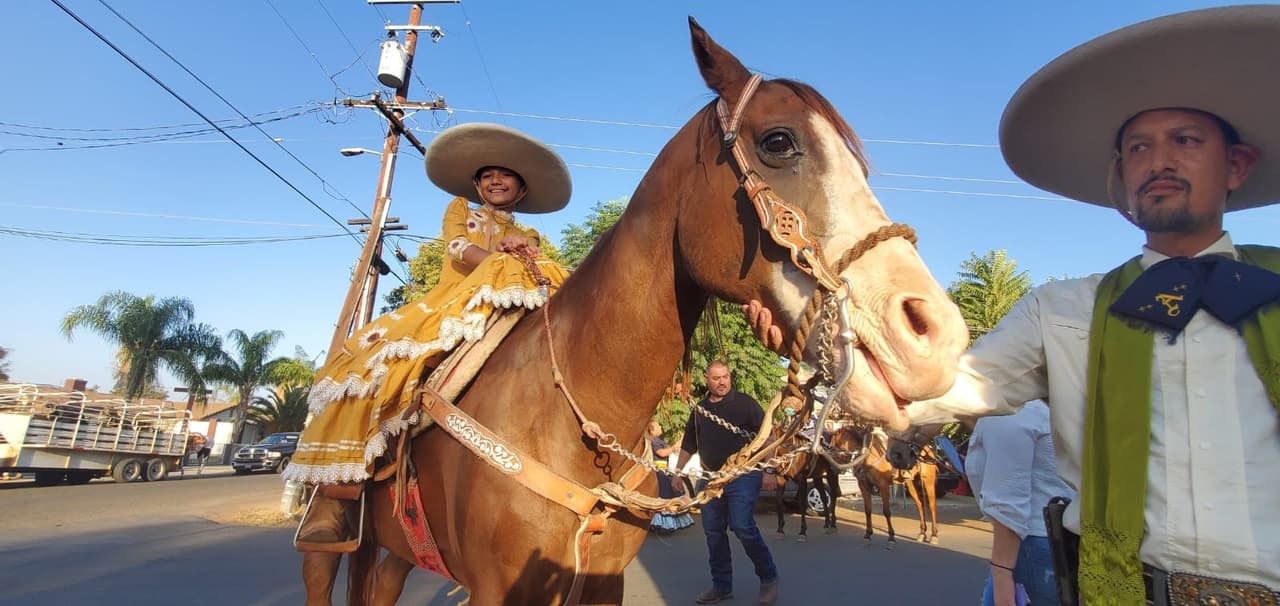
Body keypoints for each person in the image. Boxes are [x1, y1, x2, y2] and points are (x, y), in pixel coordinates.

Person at [744, 7, 1280, 604]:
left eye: (1185, 140)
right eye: (1138, 147)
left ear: (1237, 165)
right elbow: (938, 387)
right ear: (1120, 175)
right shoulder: (1060, 311)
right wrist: (815, 347)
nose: (1159, 160)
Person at [285, 123, 574, 551]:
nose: (496, 180)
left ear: (522, 190)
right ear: (476, 184)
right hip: (453, 303)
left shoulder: (529, 237)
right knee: (374, 364)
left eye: (506, 175)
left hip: (507, 309)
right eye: (487, 174)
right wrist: (499, 261)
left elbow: (535, 276)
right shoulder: (460, 210)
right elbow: (457, 248)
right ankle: (336, 496)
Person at [671, 361, 780, 605]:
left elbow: (769, 437)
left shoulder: (745, 403)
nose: (722, 382)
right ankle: (721, 586)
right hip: (711, 478)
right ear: (706, 379)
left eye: (726, 377)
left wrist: (770, 470)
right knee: (713, 533)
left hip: (743, 475)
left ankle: (769, 577)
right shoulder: (699, 410)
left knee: (742, 525)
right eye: (716, 378)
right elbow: (689, 444)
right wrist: (677, 472)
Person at [967, 401, 1074, 606]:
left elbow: (1007, 504)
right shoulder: (1054, 405)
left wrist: (1001, 573)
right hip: (1060, 541)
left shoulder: (1010, 412)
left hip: (1029, 547)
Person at [647, 419, 694, 534]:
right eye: (658, 426)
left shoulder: (657, 440)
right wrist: (674, 447)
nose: (660, 427)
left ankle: (668, 522)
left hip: (664, 470)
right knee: (664, 496)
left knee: (671, 494)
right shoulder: (652, 441)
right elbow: (662, 453)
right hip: (658, 471)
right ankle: (660, 523)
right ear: (652, 431)